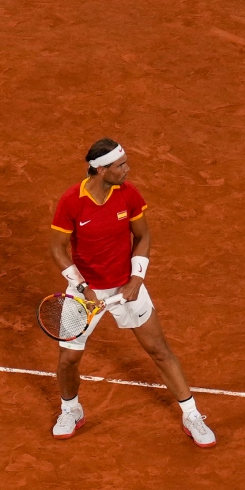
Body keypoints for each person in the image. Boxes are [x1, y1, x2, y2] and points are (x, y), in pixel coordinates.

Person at [49, 138, 216, 446]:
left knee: (160, 351)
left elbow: (143, 235)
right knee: (67, 360)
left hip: (127, 287)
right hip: (84, 293)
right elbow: (57, 249)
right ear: (100, 170)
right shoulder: (72, 201)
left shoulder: (129, 195)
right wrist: (84, 289)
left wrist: (137, 278)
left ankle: (191, 415)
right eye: (120, 166)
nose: (127, 170)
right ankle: (70, 410)